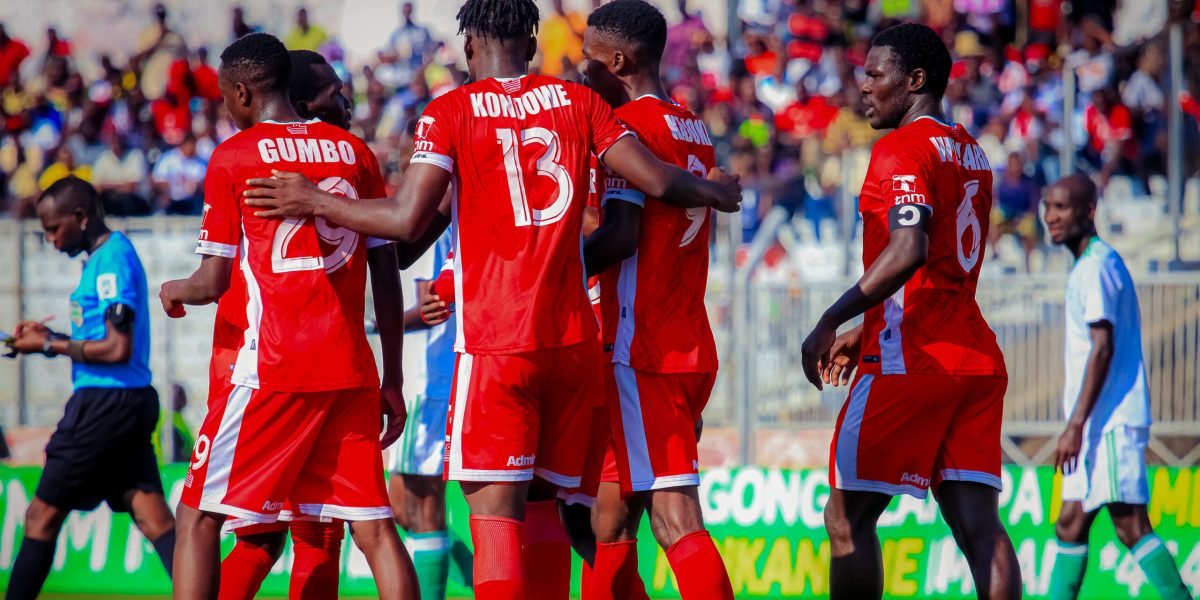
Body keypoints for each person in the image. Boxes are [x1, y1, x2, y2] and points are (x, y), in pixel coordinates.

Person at [241, 1, 742, 597]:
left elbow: (405, 221)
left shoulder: (449, 110)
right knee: (558, 512)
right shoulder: (580, 103)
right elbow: (656, 180)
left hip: (501, 341)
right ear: (531, 44)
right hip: (576, 345)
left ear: (470, 45)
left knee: (498, 522)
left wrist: (313, 202)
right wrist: (715, 191)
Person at [158, 33, 416, 600]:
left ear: (244, 93)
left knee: (198, 515)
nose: (226, 110)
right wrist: (390, 377)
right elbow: (387, 275)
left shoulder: (235, 157)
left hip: (273, 366)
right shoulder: (355, 154)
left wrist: (173, 289)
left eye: (226, 99)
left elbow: (212, 282)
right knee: (373, 526)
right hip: (351, 367)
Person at [799, 23, 1021, 600]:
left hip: (911, 358)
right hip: (971, 357)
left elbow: (909, 249)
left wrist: (830, 318)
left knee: (846, 520)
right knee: (979, 528)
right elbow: (936, 265)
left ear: (915, 80)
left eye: (876, 74)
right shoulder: (970, 148)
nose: (864, 86)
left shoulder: (902, 146)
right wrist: (864, 324)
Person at [578, 2, 732, 598]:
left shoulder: (631, 130)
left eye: (587, 59)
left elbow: (619, 235)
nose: (578, 71)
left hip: (644, 348)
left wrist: (554, 273)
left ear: (616, 62)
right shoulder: (692, 124)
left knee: (674, 517)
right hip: (685, 339)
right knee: (611, 519)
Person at [3, 177, 175, 600]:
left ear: (81, 218)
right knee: (155, 520)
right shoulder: (100, 259)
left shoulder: (112, 261)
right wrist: (51, 337)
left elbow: (117, 348)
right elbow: (100, 338)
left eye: (53, 229)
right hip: (127, 401)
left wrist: (47, 344)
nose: (49, 239)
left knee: (41, 516)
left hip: (104, 403)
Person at [1043, 175, 1191, 600]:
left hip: (1107, 422)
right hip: (1097, 423)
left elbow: (1102, 348)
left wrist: (1075, 425)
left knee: (1130, 526)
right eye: (1048, 207)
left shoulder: (1097, 266)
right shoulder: (1088, 263)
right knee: (1070, 523)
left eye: (1062, 208)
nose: (1051, 217)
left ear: (1089, 211)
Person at [389, 232, 457, 600]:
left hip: (425, 377)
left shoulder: (423, 226)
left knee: (423, 506)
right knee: (401, 508)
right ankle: (474, 573)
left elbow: (432, 306)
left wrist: (371, 323)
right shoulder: (419, 217)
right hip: (420, 376)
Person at [92, 134, 152, 217]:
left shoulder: (136, 156)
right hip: (111, 201)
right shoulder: (102, 159)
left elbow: (131, 188)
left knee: (125, 199)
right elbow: (97, 188)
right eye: (114, 142)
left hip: (136, 203)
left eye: (119, 142)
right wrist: (119, 187)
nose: (116, 146)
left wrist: (107, 186)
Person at [539, 0, 586, 78]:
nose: (557, 4)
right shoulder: (548, 25)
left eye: (558, 1)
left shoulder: (575, 17)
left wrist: (569, 23)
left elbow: (584, 38)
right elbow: (543, 50)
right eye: (554, 2)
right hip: (554, 72)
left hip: (575, 68)